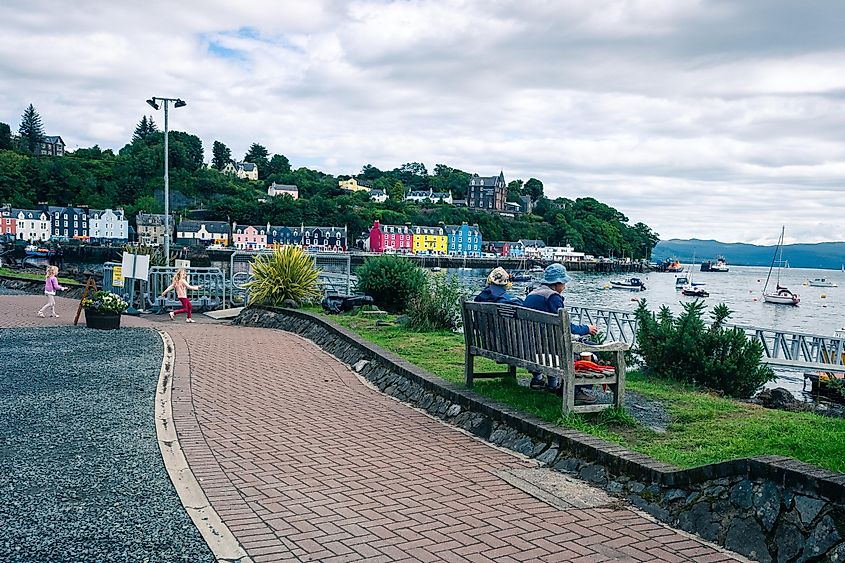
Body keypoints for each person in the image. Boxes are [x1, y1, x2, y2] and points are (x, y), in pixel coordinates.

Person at [523, 263, 598, 403]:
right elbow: (566, 326)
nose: (564, 287)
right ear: (556, 283)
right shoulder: (552, 298)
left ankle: (552, 384)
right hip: (548, 349)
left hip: (530, 346)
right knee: (591, 349)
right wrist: (587, 329)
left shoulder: (532, 295)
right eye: (563, 283)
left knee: (556, 342)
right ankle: (575, 390)